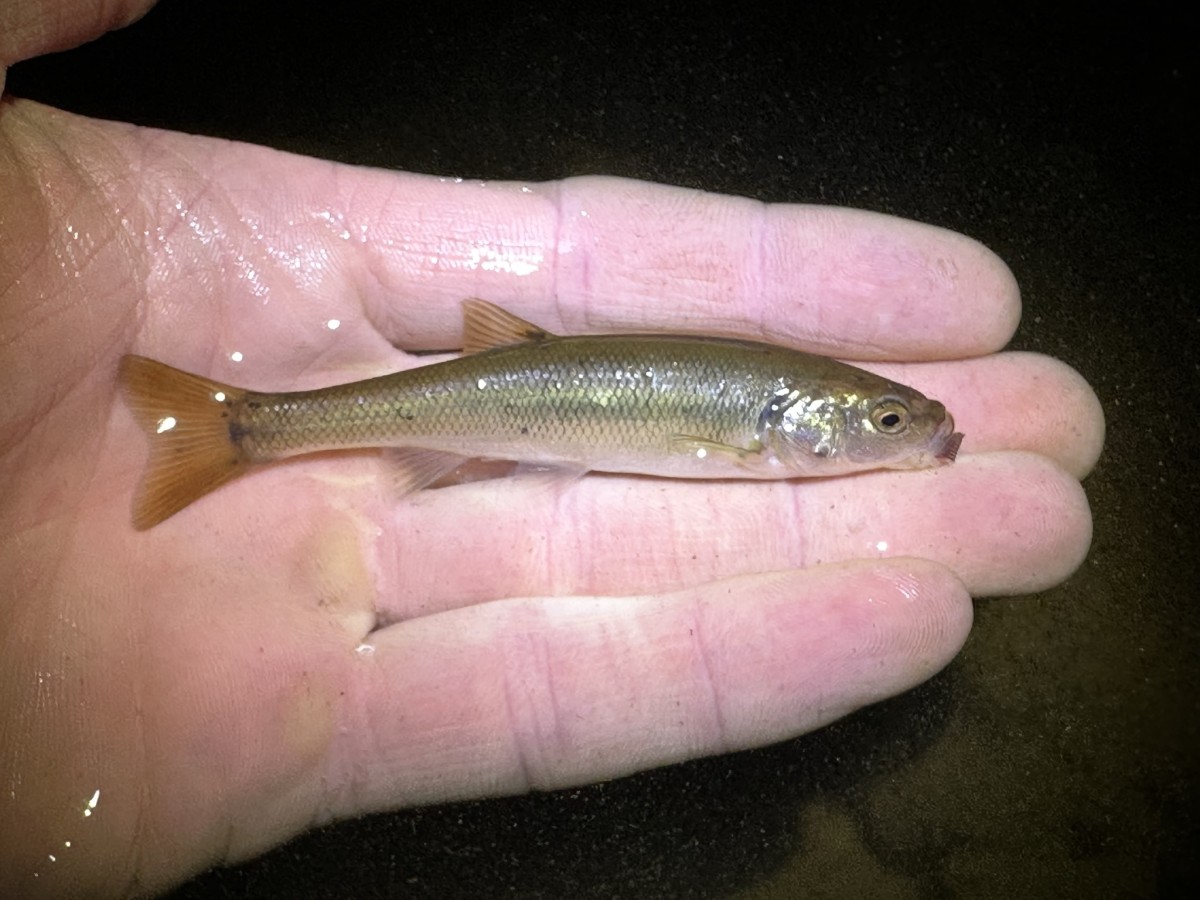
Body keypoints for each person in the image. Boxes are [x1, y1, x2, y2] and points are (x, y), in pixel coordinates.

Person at [0, 2, 1103, 896]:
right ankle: (243, 427)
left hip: (506, 392)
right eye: (885, 423)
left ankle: (244, 428)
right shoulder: (756, 419)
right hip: (498, 393)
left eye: (891, 423)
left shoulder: (771, 412)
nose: (899, 435)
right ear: (798, 419)